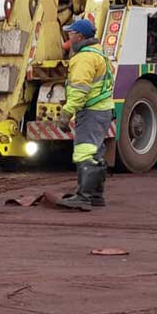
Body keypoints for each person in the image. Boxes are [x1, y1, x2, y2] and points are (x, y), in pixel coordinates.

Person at [45, 18, 114, 211]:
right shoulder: (97, 53)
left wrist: (67, 112)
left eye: (71, 33)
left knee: (85, 152)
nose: (68, 36)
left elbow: (79, 89)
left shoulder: (84, 58)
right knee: (95, 152)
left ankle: (84, 197)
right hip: (102, 110)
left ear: (80, 36)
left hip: (91, 112)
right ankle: (95, 195)